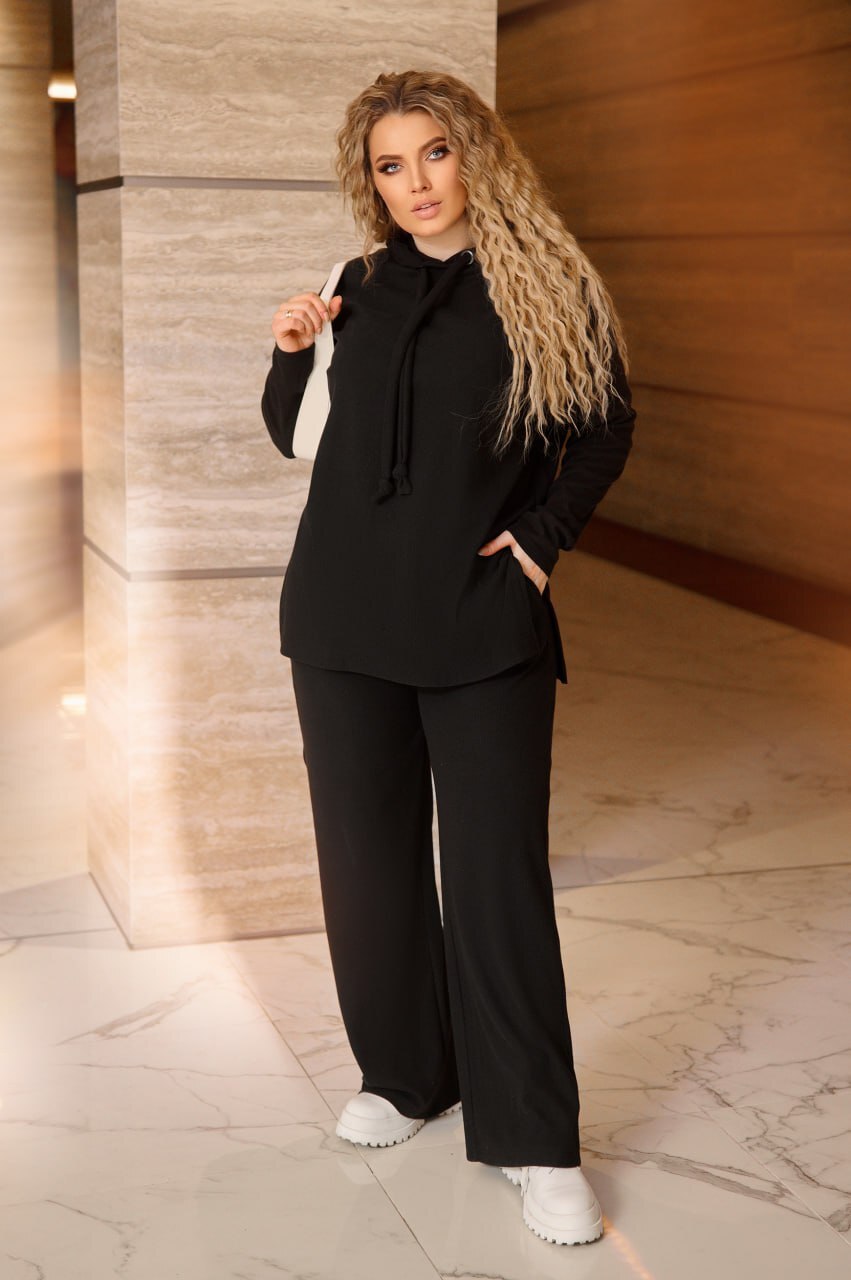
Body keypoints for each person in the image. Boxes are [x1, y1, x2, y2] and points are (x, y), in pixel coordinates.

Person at [261, 68, 636, 1248]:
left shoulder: (547, 286)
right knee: (366, 868)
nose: (416, 181)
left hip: (479, 624)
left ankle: (534, 1135)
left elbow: (605, 427)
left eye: (434, 152)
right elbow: (296, 440)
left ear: (474, 154)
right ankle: (405, 1073)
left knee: (494, 881)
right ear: (367, 181)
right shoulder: (353, 285)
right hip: (340, 622)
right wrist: (291, 351)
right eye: (390, 164)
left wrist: (538, 540)